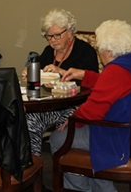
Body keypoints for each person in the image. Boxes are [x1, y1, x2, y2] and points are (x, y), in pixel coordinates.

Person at [50, 20, 131, 191]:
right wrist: (84, 75)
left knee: (57, 138)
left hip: (117, 134)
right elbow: (112, 86)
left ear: (107, 51)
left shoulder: (115, 71)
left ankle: (81, 189)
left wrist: (72, 121)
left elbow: (92, 111)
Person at [22, 8, 99, 156]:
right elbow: (37, 72)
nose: (52, 40)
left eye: (57, 35)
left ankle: (62, 168)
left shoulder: (85, 51)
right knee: (28, 121)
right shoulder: (48, 51)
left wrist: (62, 72)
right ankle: (34, 167)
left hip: (74, 104)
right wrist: (29, 72)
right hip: (49, 105)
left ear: (70, 31)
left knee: (63, 127)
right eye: (49, 36)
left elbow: (93, 84)